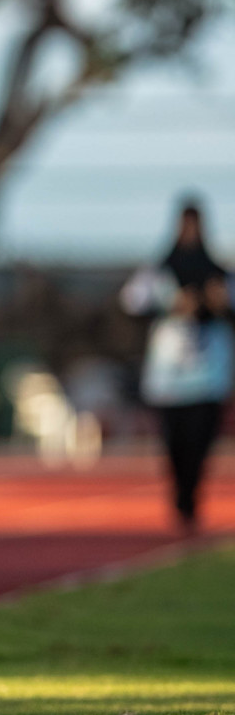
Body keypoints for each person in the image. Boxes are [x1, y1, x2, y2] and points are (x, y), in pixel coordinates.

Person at [122, 200, 232, 534]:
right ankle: (180, 498)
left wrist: (219, 302)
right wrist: (168, 305)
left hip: (209, 373)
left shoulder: (220, 273)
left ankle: (191, 499)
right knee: (174, 443)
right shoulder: (159, 271)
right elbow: (131, 302)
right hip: (170, 375)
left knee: (201, 441)